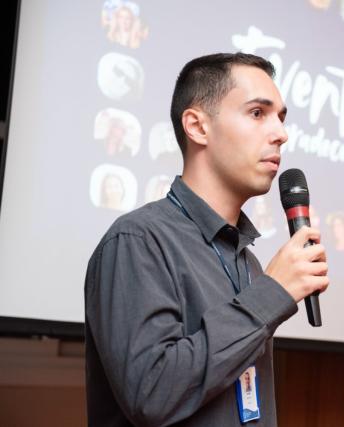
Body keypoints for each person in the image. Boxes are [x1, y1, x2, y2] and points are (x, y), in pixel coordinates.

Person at [84, 53, 330, 426]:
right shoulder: (138, 241)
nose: (281, 133)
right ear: (198, 127)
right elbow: (151, 393)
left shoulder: (247, 261)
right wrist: (271, 294)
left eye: (281, 118)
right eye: (257, 113)